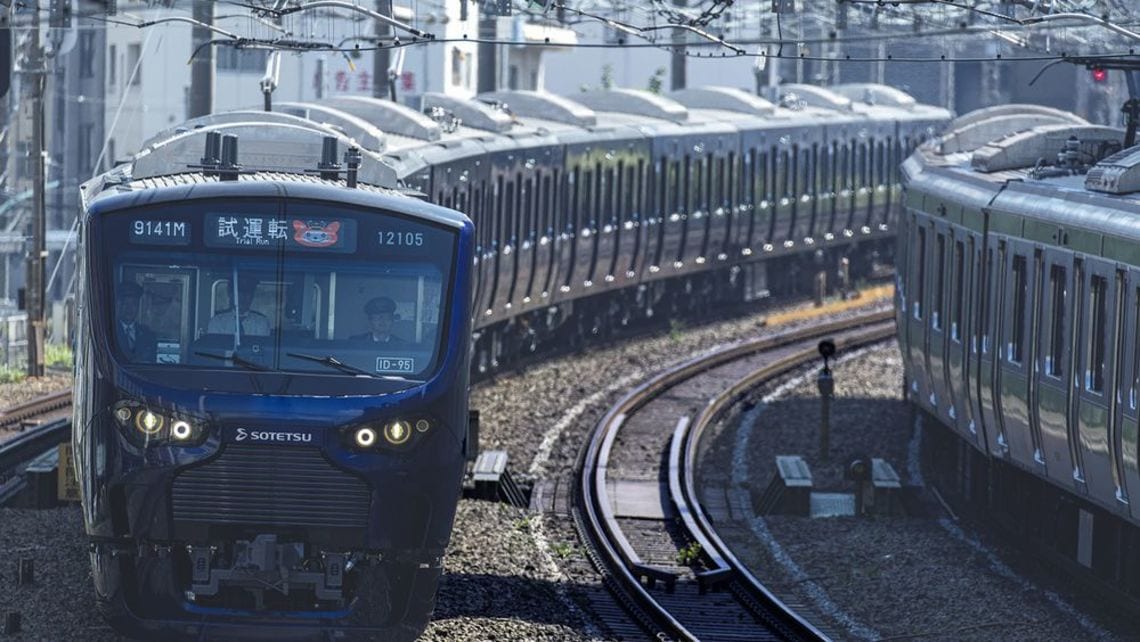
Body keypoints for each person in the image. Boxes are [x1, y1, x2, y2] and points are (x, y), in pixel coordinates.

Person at [115, 281, 158, 363]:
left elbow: (152, 363)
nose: (129, 309)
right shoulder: (111, 332)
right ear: (119, 305)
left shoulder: (148, 335)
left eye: (134, 304)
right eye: (126, 304)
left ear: (138, 306)